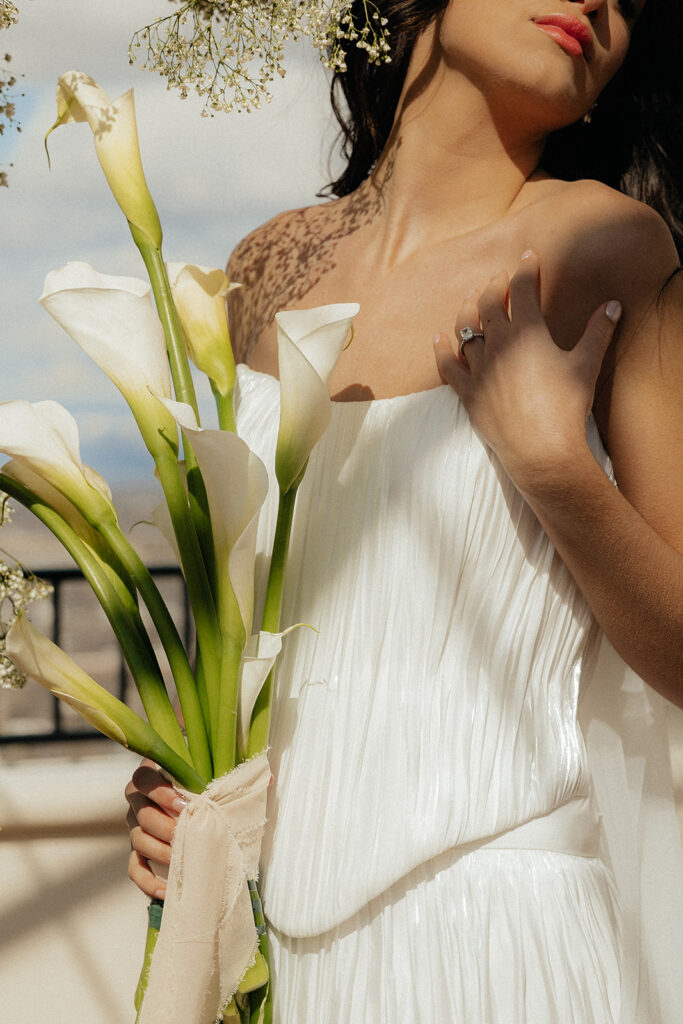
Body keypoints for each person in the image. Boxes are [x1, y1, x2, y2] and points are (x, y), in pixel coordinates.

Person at [126, 0, 683, 1019]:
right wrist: (194, 799)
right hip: (293, 954)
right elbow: (252, 638)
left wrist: (556, 470)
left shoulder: (606, 246)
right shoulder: (261, 266)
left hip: (509, 947)